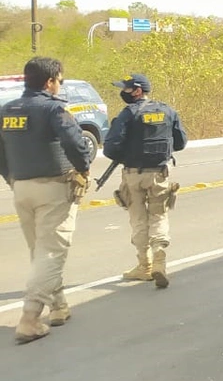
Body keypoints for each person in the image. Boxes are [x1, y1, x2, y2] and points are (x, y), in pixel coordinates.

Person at [0, 57, 91, 344]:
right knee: (52, 252)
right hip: (53, 187)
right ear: (50, 81)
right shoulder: (54, 109)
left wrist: (12, 178)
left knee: (39, 250)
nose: (59, 85)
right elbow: (77, 143)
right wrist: (84, 167)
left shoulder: (7, 110)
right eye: (59, 80)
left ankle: (59, 305)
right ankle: (29, 318)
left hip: (21, 187)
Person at [103, 73, 187, 289]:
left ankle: (145, 265)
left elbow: (110, 147)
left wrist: (127, 153)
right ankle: (159, 258)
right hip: (159, 173)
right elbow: (180, 142)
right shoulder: (167, 110)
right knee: (159, 215)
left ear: (138, 91)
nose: (123, 92)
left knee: (138, 218)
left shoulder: (128, 114)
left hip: (133, 175)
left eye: (127, 89)